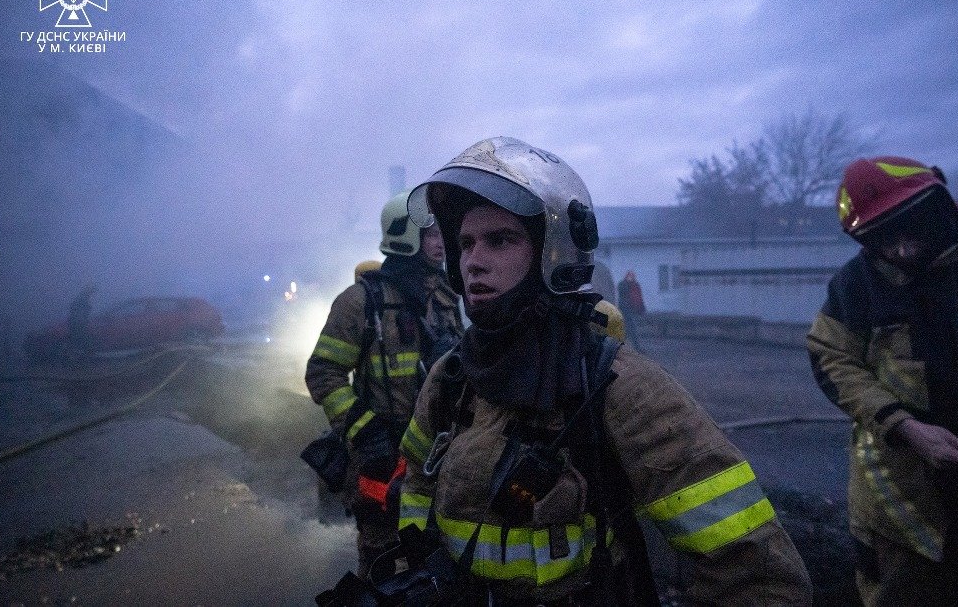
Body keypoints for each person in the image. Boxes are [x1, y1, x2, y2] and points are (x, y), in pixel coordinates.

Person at [394, 137, 811, 605]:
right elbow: (415, 484)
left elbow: (761, 578)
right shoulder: (451, 380)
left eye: (501, 240)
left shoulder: (617, 386)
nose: (474, 261)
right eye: (466, 243)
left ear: (554, 252)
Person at [807, 156, 958, 606]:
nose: (900, 251)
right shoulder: (855, 286)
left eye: (909, 228)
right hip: (904, 505)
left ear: (940, 206)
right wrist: (905, 427)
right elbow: (831, 356)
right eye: (880, 238)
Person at [305, 190, 464, 578]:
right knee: (381, 563)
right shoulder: (362, 301)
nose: (441, 241)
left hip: (436, 457)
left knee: (435, 559)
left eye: (442, 232)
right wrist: (364, 430)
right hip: (382, 458)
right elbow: (322, 372)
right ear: (404, 236)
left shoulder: (446, 296)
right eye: (430, 233)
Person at [617, 269, 645, 351]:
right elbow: (622, 296)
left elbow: (639, 297)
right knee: (630, 329)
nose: (631, 278)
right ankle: (633, 347)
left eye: (632, 276)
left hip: (633, 310)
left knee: (630, 329)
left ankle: (630, 347)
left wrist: (641, 308)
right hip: (626, 311)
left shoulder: (635, 285)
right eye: (629, 276)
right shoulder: (623, 284)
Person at [67, 283, 96, 363]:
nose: (92, 293)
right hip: (78, 323)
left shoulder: (83, 298)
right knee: (80, 340)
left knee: (80, 340)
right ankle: (77, 361)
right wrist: (82, 321)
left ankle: (79, 359)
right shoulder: (82, 299)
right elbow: (79, 311)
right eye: (91, 291)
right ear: (87, 291)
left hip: (78, 323)